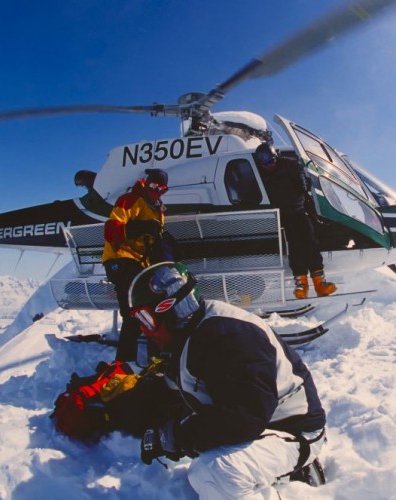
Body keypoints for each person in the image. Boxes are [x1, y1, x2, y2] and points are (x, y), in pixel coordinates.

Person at [128, 261, 327, 499]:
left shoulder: (230, 336)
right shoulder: (188, 333)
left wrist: (179, 436)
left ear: (174, 309)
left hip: (293, 430)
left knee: (214, 473)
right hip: (260, 422)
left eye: (146, 319)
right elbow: (178, 387)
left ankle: (289, 469)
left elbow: (245, 418)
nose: (143, 330)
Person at [254, 142, 336, 299]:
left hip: (300, 211)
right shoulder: (263, 174)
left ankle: (320, 284)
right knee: (295, 248)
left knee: (310, 244)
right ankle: (301, 286)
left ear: (275, 158)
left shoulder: (289, 165)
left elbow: (303, 182)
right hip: (284, 216)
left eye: (270, 162)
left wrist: (303, 183)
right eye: (264, 164)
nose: (268, 166)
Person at [102, 168, 168, 362]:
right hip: (120, 259)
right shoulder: (130, 200)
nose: (158, 191)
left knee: (154, 310)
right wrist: (140, 228)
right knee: (134, 314)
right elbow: (111, 231)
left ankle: (155, 361)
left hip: (141, 264)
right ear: (146, 183)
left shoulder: (158, 209)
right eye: (154, 186)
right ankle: (124, 364)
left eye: (163, 189)